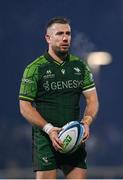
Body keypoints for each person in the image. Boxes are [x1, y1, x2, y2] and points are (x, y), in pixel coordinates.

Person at [19, 17, 99, 179]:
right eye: (59, 34)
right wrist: (49, 129)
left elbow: (92, 100)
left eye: (68, 33)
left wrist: (86, 122)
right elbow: (25, 107)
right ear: (48, 38)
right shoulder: (34, 69)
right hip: (46, 140)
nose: (65, 38)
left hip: (74, 139)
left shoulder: (80, 66)